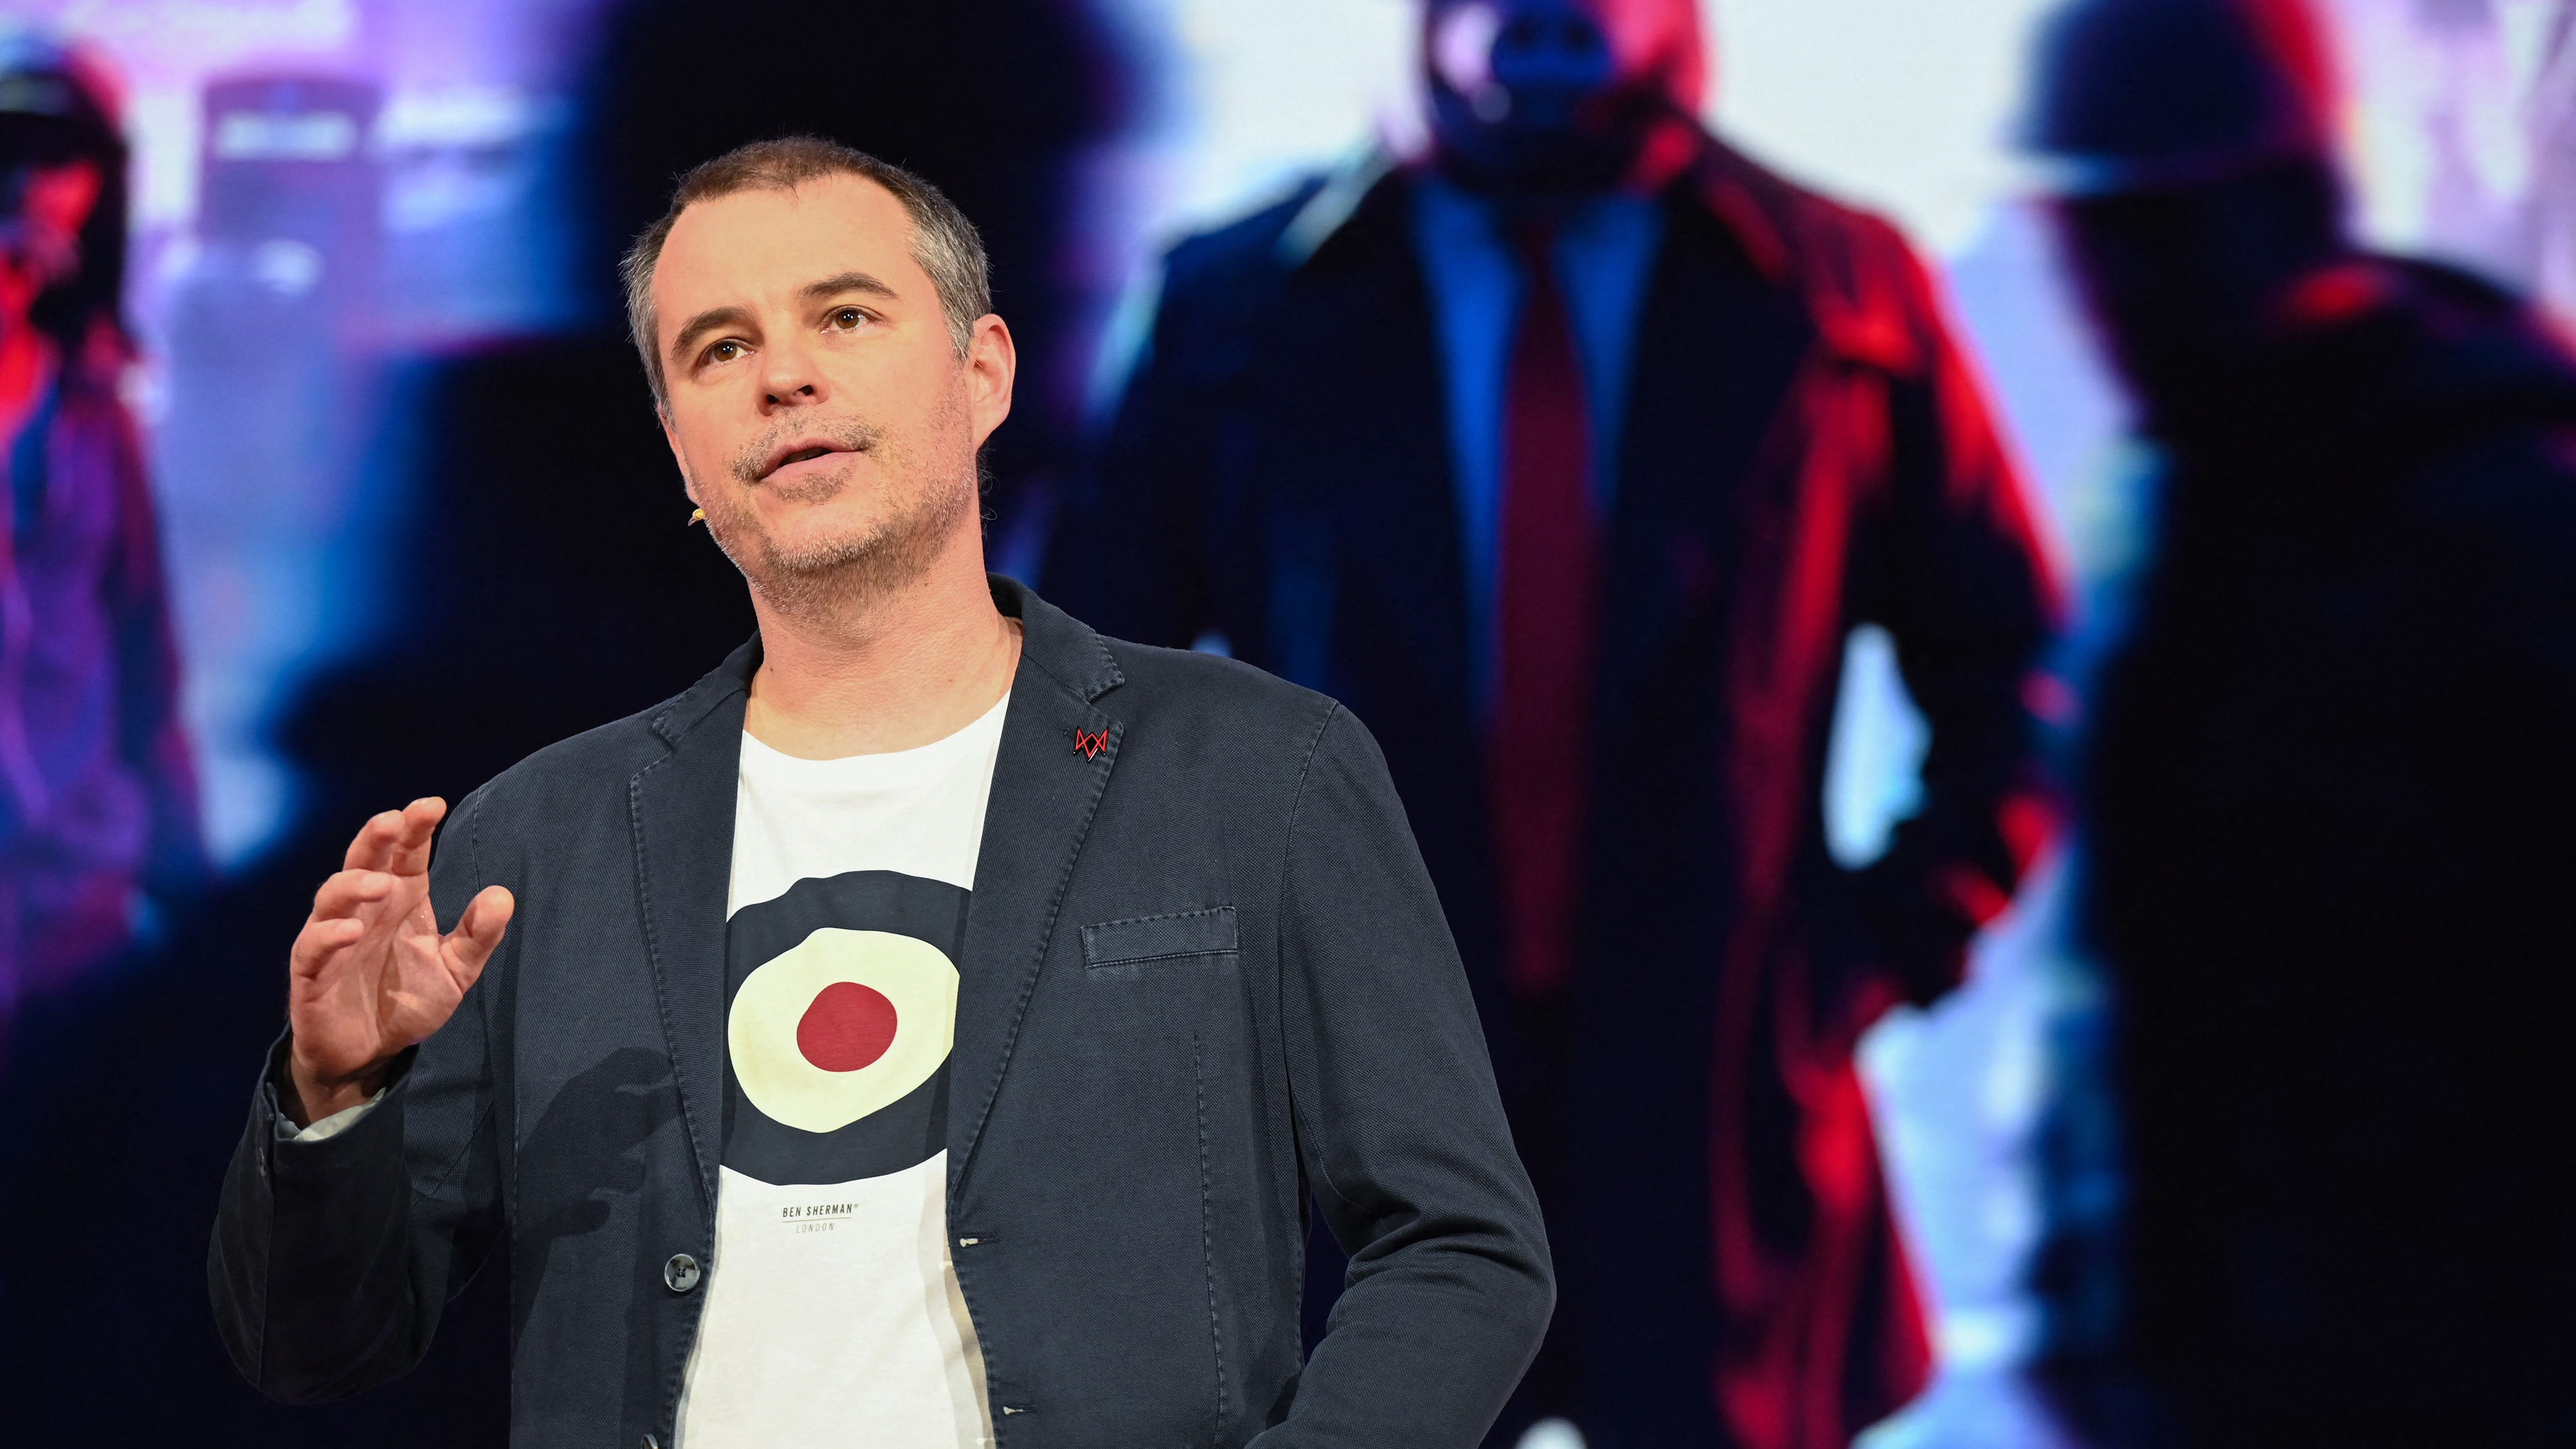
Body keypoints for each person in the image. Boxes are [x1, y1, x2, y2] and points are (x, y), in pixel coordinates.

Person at [208, 136, 1552, 1448]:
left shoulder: (1259, 770)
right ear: (680, 451)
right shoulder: (532, 844)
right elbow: (315, 1348)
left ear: (983, 374)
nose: (784, 376)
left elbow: (1462, 1250)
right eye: (719, 349)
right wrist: (340, 1097)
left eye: (844, 317)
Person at [1044, 3, 2060, 1445]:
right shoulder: (1241, 308)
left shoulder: (1837, 296)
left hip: (1713, 1155)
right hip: (1354, 1159)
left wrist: (1850, 964)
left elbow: (2011, 672)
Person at [2025, 1, 2576, 1444]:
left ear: (2287, 205)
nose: (2114, 296)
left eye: (2156, 238)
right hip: (2214, 1366)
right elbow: (2135, 966)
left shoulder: (2496, 514)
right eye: (2088, 244)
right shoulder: (2172, 503)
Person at [0, 30, 201, 1034]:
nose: (31, 186)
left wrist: (181, 861)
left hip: (74, 885)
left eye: (60, 159)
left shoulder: (96, 408)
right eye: (10, 155)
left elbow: (140, 642)